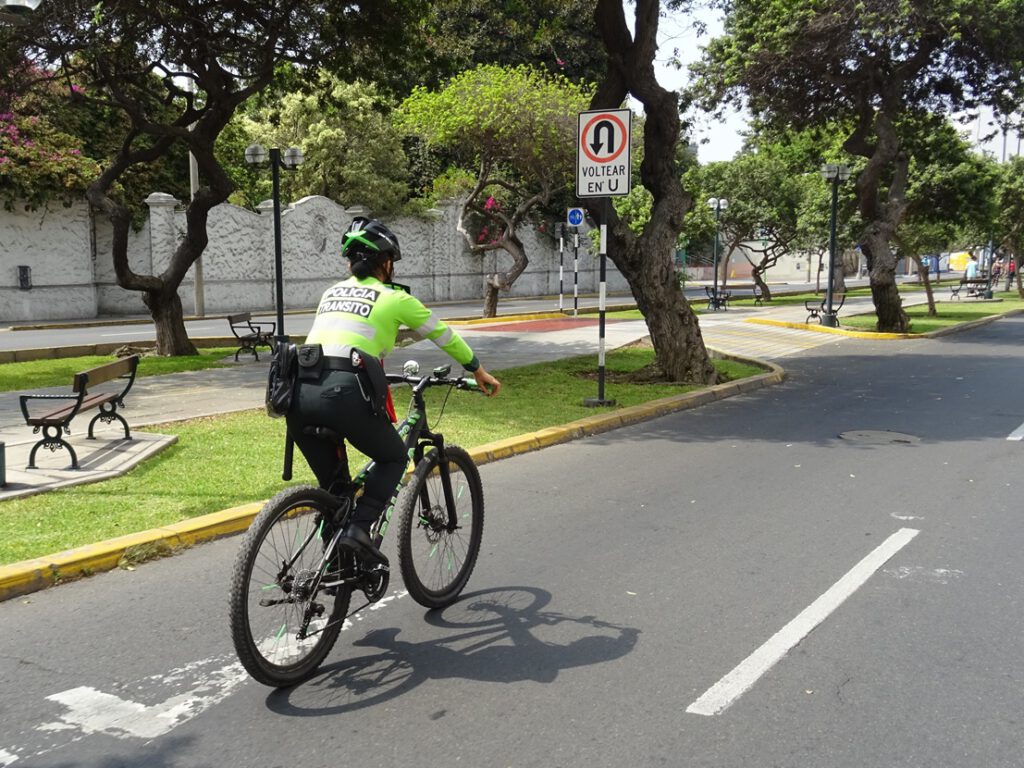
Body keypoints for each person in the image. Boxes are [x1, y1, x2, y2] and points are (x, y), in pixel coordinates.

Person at [287, 217, 501, 565]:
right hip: (343, 393)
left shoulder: (330, 293)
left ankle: (334, 564)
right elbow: (442, 334)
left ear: (350, 262)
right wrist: (477, 368)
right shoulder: (395, 298)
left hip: (297, 395)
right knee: (394, 457)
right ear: (384, 263)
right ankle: (358, 532)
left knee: (336, 490)